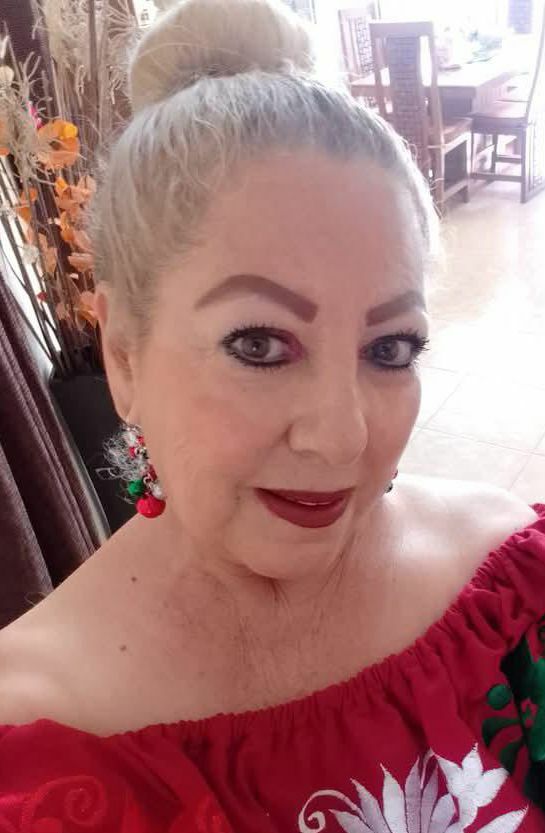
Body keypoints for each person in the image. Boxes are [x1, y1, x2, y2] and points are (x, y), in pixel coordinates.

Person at [0, 0, 543, 830]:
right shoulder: (36, 753)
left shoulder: (513, 595)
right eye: (258, 344)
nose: (342, 436)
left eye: (389, 347)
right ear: (123, 355)